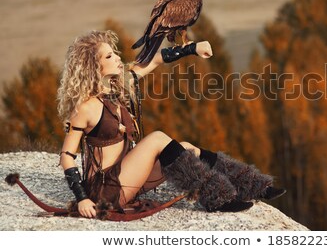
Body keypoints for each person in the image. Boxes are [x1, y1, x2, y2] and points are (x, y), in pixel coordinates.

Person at [57, 30, 285, 218]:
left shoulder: (119, 88)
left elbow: (155, 59)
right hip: (106, 190)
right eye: (108, 57)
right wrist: (82, 198)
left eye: (114, 53)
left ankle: (254, 185)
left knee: (187, 148)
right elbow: (66, 156)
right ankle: (216, 198)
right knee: (157, 138)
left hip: (127, 178)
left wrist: (192, 49)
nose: (117, 58)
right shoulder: (86, 108)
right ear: (93, 67)